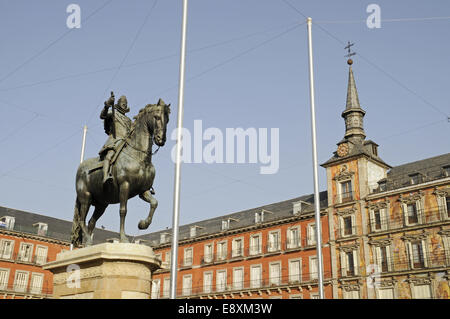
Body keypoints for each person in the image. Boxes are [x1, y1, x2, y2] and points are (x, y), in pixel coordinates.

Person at [99, 91, 132, 184]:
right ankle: (105, 176)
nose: (124, 105)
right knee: (109, 156)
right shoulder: (113, 113)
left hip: (126, 144)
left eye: (126, 104)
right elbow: (102, 116)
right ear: (118, 104)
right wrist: (107, 105)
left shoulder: (129, 120)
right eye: (123, 103)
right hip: (115, 141)